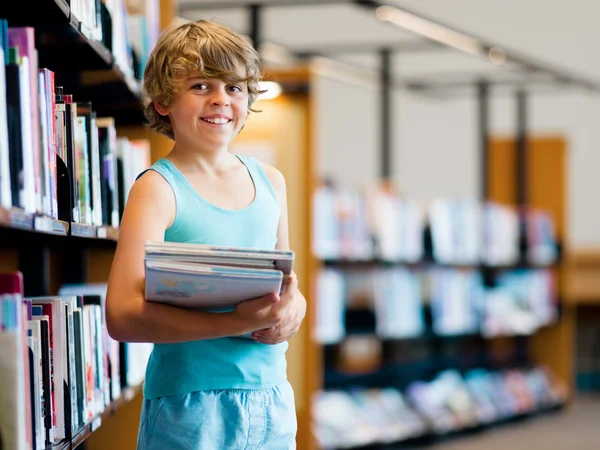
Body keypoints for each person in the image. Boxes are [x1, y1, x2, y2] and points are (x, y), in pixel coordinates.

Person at [105, 19, 306, 450]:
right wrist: (237, 322)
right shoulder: (157, 188)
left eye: (234, 88)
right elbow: (121, 314)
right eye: (200, 86)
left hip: (271, 400)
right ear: (162, 101)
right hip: (190, 408)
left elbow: (289, 286)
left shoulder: (271, 181)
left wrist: (293, 312)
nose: (221, 100)